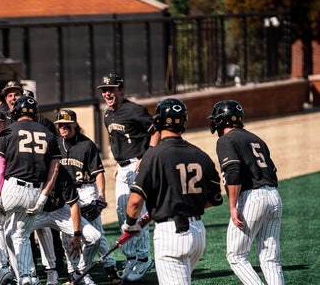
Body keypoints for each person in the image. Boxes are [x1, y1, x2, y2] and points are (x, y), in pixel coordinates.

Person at [123, 98, 223, 285]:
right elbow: (215, 198)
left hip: (170, 235)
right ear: (183, 121)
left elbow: (135, 201)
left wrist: (130, 224)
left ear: (158, 121)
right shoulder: (200, 154)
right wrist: (187, 203)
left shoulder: (152, 155)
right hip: (198, 236)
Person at [208, 100, 284, 285]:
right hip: (274, 196)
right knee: (270, 258)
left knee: (236, 256)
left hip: (252, 198)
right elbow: (272, 171)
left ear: (221, 120)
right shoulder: (256, 138)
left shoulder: (226, 140)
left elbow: (233, 171)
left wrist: (233, 206)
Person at [0, 95, 61, 285]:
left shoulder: (8, 131)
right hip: (36, 193)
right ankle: (27, 276)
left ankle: (2, 267)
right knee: (20, 235)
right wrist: (43, 198)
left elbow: (0, 166)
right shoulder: (49, 134)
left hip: (12, 188)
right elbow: (54, 169)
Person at [97, 73, 159, 281]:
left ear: (121, 90)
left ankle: (143, 258)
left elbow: (155, 131)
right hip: (123, 168)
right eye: (105, 90)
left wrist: (147, 157)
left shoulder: (135, 110)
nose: (107, 93)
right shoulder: (107, 114)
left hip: (138, 165)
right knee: (123, 213)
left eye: (111, 89)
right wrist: (117, 163)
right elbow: (119, 141)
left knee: (137, 212)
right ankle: (131, 257)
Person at [53, 109, 122, 284]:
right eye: (60, 124)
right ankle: (75, 272)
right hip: (66, 196)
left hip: (86, 190)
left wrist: (100, 196)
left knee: (96, 233)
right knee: (67, 235)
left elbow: (98, 173)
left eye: (66, 124)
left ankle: (111, 269)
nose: (63, 127)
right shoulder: (55, 144)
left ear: (75, 124)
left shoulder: (86, 144)